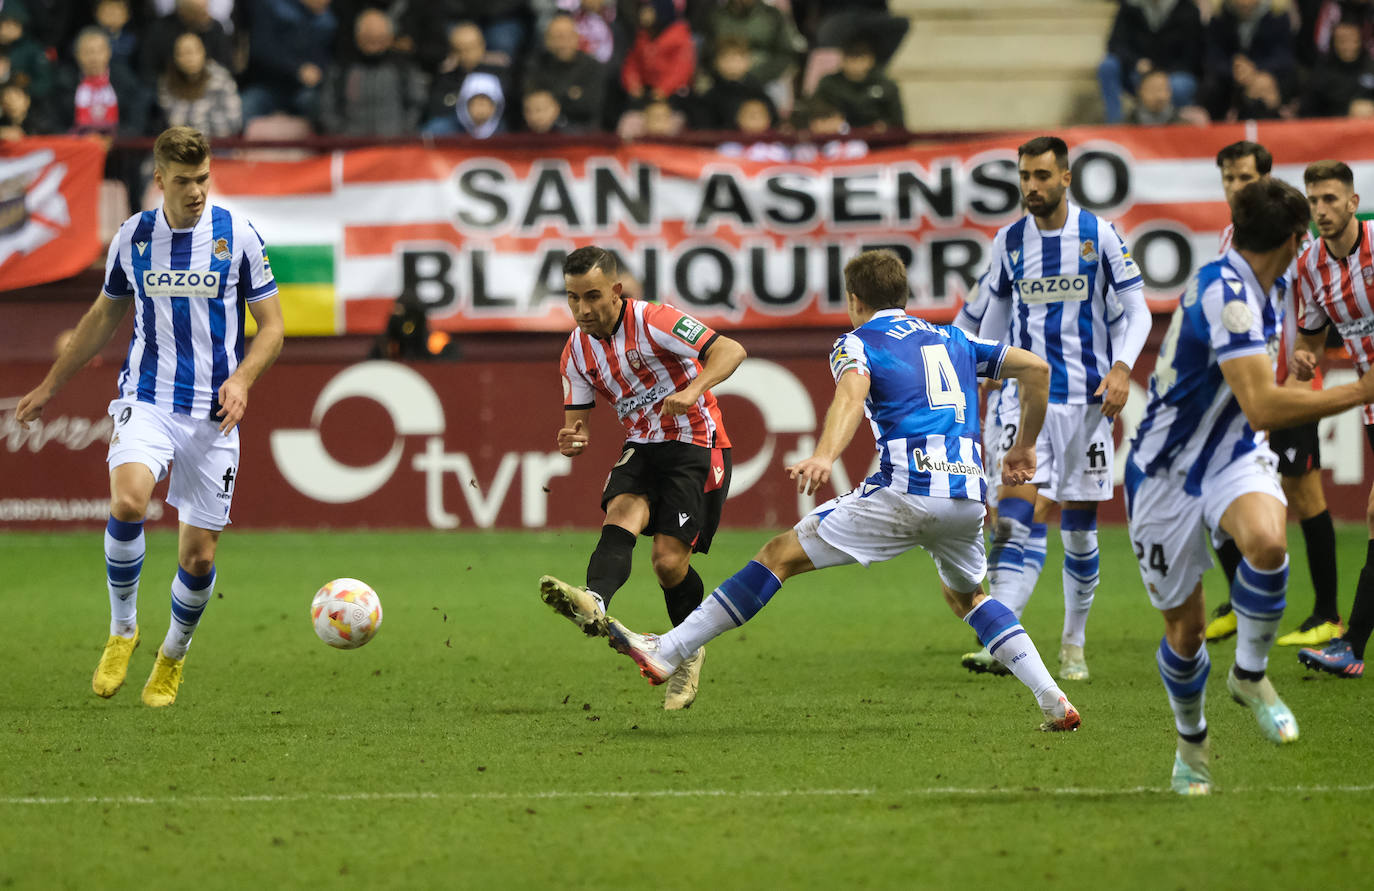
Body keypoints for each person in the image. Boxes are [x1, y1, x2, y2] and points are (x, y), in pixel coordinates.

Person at [601, 250, 1081, 732]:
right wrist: (1023, 447)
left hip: (907, 487)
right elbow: (1037, 370)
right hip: (966, 496)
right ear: (903, 295)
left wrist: (826, 455)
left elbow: (852, 393)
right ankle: (1052, 699)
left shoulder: (856, 342)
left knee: (777, 556)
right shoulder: (952, 337)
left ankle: (669, 651)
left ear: (854, 299)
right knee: (969, 597)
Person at [13, 126, 285, 708]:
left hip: (214, 414)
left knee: (198, 556)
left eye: (204, 178)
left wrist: (241, 379)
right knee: (129, 502)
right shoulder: (133, 238)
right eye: (184, 181)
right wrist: (50, 385)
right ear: (158, 180)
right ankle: (122, 630)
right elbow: (103, 316)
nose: (196, 191)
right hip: (149, 398)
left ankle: (172, 657)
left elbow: (275, 327)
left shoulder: (236, 235)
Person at [1125, 178, 1374, 795]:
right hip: (1164, 473)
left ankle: (1249, 675)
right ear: (1292, 240)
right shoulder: (1227, 295)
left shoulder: (1271, 281)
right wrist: (1364, 391)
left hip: (1233, 455)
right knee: (1183, 634)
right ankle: (1192, 744)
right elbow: (1261, 404)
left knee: (1267, 542)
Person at [961, 136, 1152, 683]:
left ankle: (1073, 644)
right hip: (1023, 404)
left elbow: (1137, 309)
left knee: (1080, 530)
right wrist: (976, 378)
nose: (1031, 186)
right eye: (1024, 176)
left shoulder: (1100, 235)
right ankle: (1003, 635)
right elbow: (988, 319)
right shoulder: (1009, 241)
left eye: (1042, 176)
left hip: (1088, 405)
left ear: (1066, 178)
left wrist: (1121, 367)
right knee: (1013, 518)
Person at [538, 246, 746, 711]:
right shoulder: (574, 350)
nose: (583, 309)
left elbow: (731, 350)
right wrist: (573, 438)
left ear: (616, 291)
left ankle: (688, 651)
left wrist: (693, 389)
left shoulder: (656, 320)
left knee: (668, 563)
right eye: (573, 299)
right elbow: (579, 422)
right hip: (644, 443)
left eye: (592, 296)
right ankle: (593, 600)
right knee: (622, 511)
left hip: (697, 441)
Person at [1205, 142, 1341, 651]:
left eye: (1245, 178)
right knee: (1212, 493)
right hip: (1240, 391)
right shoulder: (1227, 238)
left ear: (1265, 180)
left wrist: (1303, 372)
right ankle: (1243, 601)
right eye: (1228, 179)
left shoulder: (1297, 247)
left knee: (1305, 496)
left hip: (1286, 387)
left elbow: (1314, 312)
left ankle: (1327, 614)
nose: (1236, 188)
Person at [1293, 160, 1374, 679]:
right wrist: (1306, 358)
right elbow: (1310, 338)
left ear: (1352, 201)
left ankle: (1351, 646)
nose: (1321, 209)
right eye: (1313, 201)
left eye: (1329, 199)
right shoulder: (1309, 267)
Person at [319, 9, 429, 137]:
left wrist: (403, 131)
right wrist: (340, 132)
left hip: (394, 143)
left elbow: (417, 102)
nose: (374, 45)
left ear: (389, 38)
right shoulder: (342, 68)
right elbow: (327, 106)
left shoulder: (403, 67)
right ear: (358, 38)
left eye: (379, 39)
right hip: (351, 144)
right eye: (368, 38)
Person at [1098, 0, 1204, 124]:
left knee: (1178, 86)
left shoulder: (1187, 9)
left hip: (1173, 74)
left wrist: (1159, 74)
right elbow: (1115, 44)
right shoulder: (1130, 7)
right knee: (1108, 66)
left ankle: (1175, 124)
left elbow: (1193, 55)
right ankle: (1116, 125)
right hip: (1137, 72)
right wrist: (1136, 62)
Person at [240, 0, 336, 123]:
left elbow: (329, 59)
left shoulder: (328, 20)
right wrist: (297, 69)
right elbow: (261, 49)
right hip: (268, 85)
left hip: (307, 91)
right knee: (245, 108)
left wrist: (319, 72)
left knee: (319, 107)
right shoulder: (272, 6)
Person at [522, 13, 606, 132]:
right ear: (546, 40)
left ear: (577, 38)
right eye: (557, 37)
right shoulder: (536, 63)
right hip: (541, 132)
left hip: (582, 133)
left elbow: (590, 105)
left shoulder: (592, 66)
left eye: (567, 36)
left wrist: (553, 105)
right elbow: (531, 98)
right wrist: (569, 95)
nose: (563, 43)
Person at [157, 32, 243, 138]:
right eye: (182, 53)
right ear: (175, 57)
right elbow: (173, 123)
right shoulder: (167, 82)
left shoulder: (221, 79)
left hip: (219, 147)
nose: (189, 58)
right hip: (183, 148)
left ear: (203, 52)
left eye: (193, 51)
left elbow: (234, 123)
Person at [811, 39, 904, 131]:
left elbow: (897, 121)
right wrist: (827, 120)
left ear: (871, 60)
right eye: (851, 58)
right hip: (838, 137)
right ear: (843, 60)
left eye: (861, 58)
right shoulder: (829, 83)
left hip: (877, 138)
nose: (856, 64)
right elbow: (818, 112)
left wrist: (885, 125)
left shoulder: (885, 85)